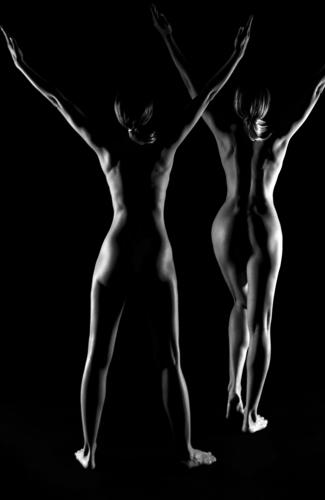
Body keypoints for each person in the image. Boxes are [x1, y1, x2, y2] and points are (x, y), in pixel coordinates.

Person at [1, 15, 251, 468]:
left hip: (115, 250)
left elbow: (59, 99)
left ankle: (90, 451)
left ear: (120, 115)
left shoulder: (107, 147)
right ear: (150, 112)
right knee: (170, 360)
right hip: (155, 251)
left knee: (98, 356)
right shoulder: (166, 145)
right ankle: (184, 453)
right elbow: (207, 94)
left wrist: (23, 66)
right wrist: (235, 54)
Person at [152, 6, 325, 433]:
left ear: (236, 104)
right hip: (263, 224)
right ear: (266, 106)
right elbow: (316, 88)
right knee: (261, 319)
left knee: (240, 302)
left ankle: (231, 387)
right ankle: (250, 414)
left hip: (227, 223)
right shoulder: (279, 137)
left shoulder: (225, 132)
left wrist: (169, 36)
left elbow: (197, 87)